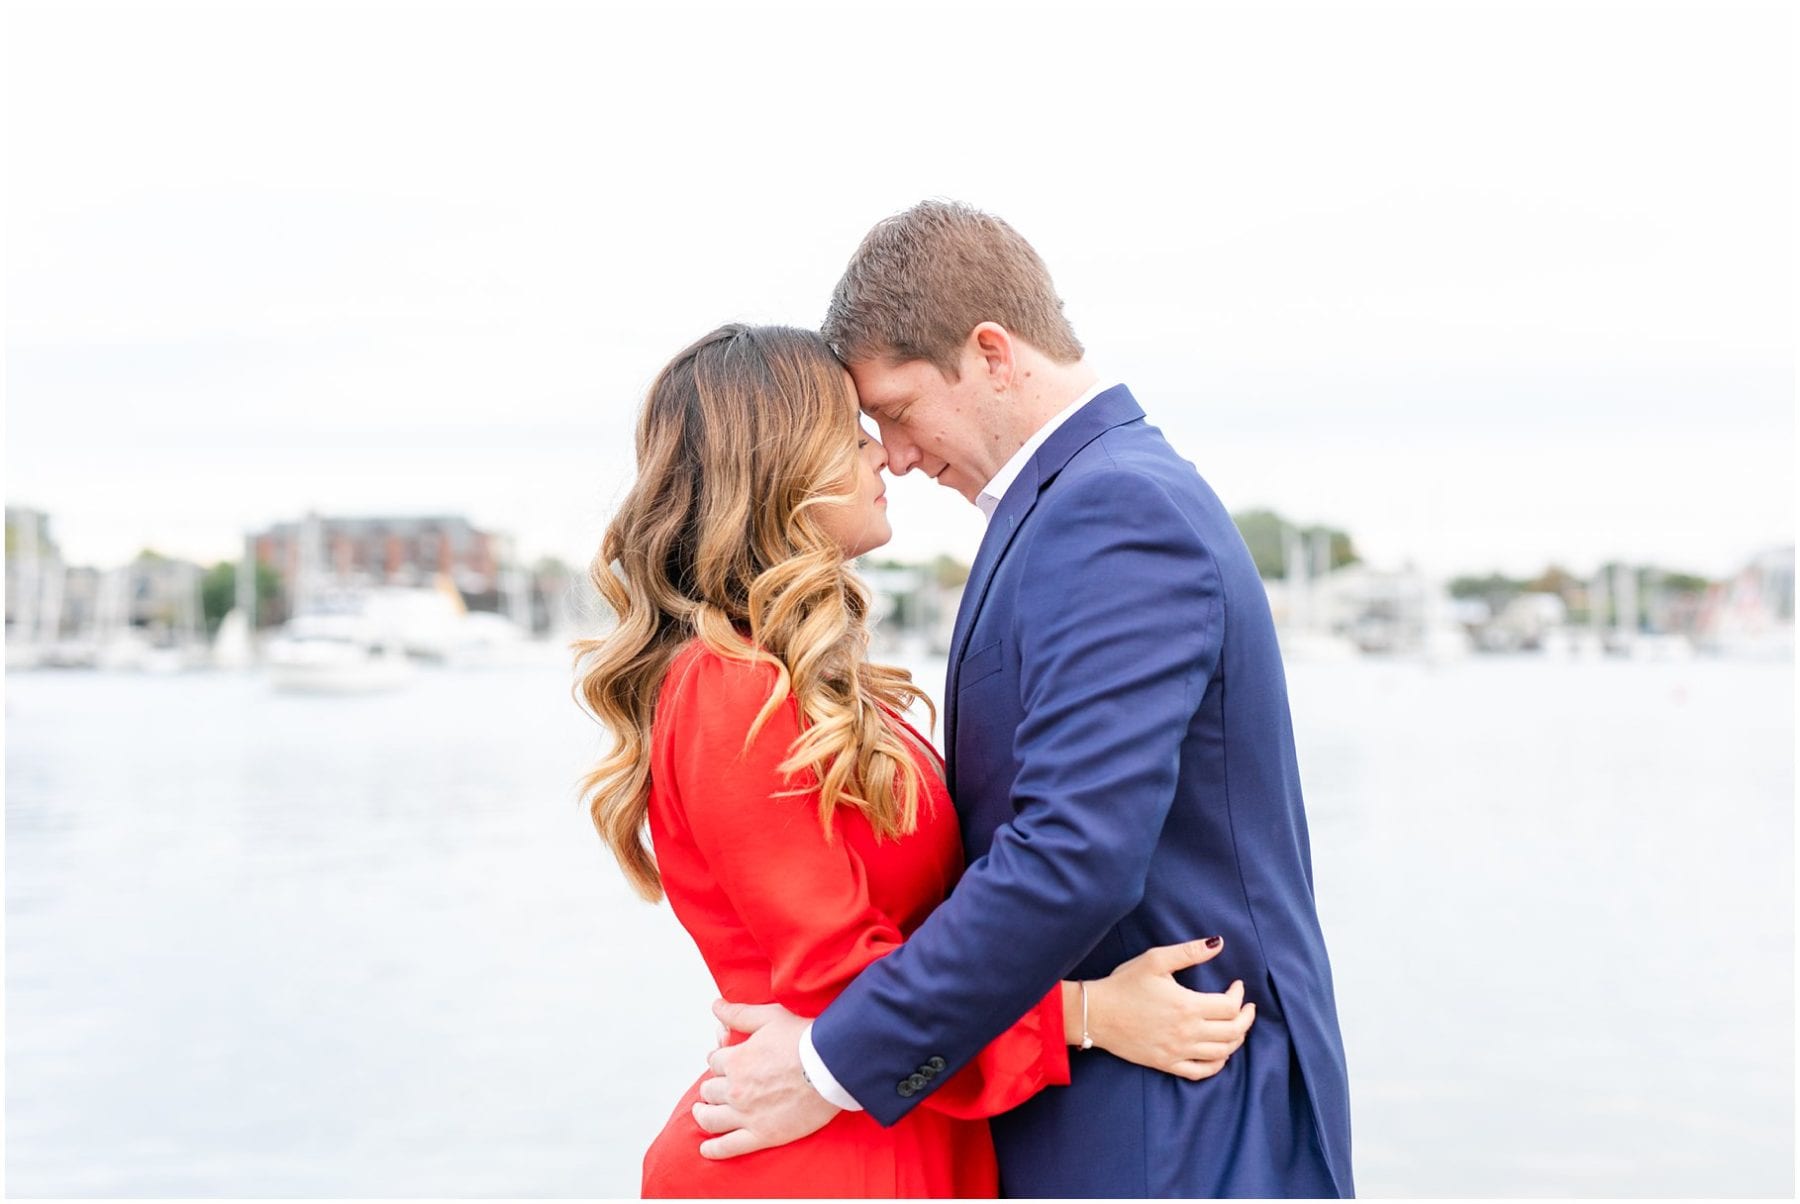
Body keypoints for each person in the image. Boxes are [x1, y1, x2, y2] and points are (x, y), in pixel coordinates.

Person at [696, 203, 1356, 1198]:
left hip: (1176, 1128)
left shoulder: (1115, 510)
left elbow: (1071, 854)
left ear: (992, 353)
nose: (898, 454)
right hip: (1121, 1114)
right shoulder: (1073, 503)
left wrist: (830, 1066)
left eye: (901, 409)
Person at [573, 323, 1259, 1198]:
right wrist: (1089, 1015)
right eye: (854, 433)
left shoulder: (802, 684)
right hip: (812, 1162)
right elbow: (837, 982)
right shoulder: (728, 690)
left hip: (896, 1136)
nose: (884, 458)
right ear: (783, 464)